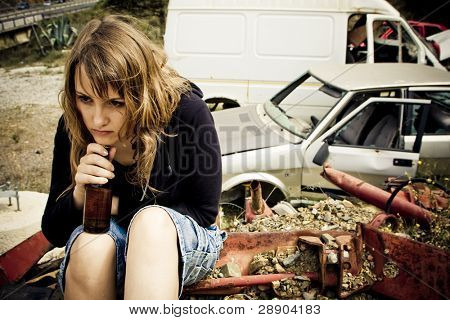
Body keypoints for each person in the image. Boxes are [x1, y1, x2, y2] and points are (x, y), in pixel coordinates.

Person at [41, 15, 226, 300]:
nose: (97, 119)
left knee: (150, 226)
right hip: (111, 240)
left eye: (115, 102)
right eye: (85, 99)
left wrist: (127, 220)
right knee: (92, 249)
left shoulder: (187, 113)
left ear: (142, 94)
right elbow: (53, 231)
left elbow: (204, 212)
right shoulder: (72, 127)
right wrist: (80, 195)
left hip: (181, 238)